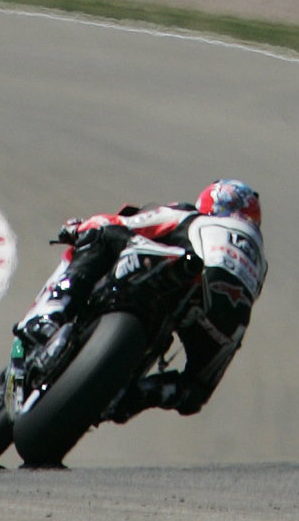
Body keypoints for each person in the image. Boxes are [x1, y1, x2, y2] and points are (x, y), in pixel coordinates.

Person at [19, 180, 264, 422]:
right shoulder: (259, 263)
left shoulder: (189, 215)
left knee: (100, 232)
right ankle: (141, 395)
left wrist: (79, 228)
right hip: (221, 321)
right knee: (194, 391)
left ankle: (50, 313)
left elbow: (125, 223)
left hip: (173, 273)